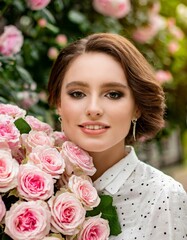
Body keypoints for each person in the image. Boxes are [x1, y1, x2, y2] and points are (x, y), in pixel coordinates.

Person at [48, 33, 187, 240]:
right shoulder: (21, 177)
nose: (93, 109)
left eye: (113, 94)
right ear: (59, 103)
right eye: (77, 93)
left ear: (137, 107)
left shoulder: (164, 197)